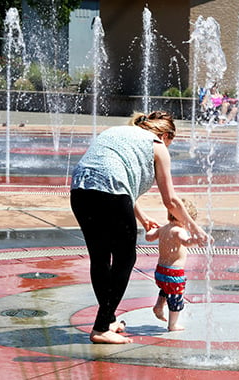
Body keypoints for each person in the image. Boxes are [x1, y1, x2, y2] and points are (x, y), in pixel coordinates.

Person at [70, 111, 209, 344]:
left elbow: (116, 176)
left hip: (80, 191)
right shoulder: (157, 145)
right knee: (125, 259)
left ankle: (108, 319)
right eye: (171, 142)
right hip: (111, 193)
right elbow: (171, 201)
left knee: (100, 257)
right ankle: (101, 328)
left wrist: (143, 219)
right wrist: (194, 227)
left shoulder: (117, 132)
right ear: (165, 135)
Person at [145, 198, 198, 331]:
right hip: (174, 273)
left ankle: (159, 306)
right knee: (176, 298)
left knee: (165, 288)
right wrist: (196, 240)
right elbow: (186, 242)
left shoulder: (163, 229)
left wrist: (151, 229)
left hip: (160, 272)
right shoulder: (179, 231)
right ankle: (173, 324)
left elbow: (149, 237)